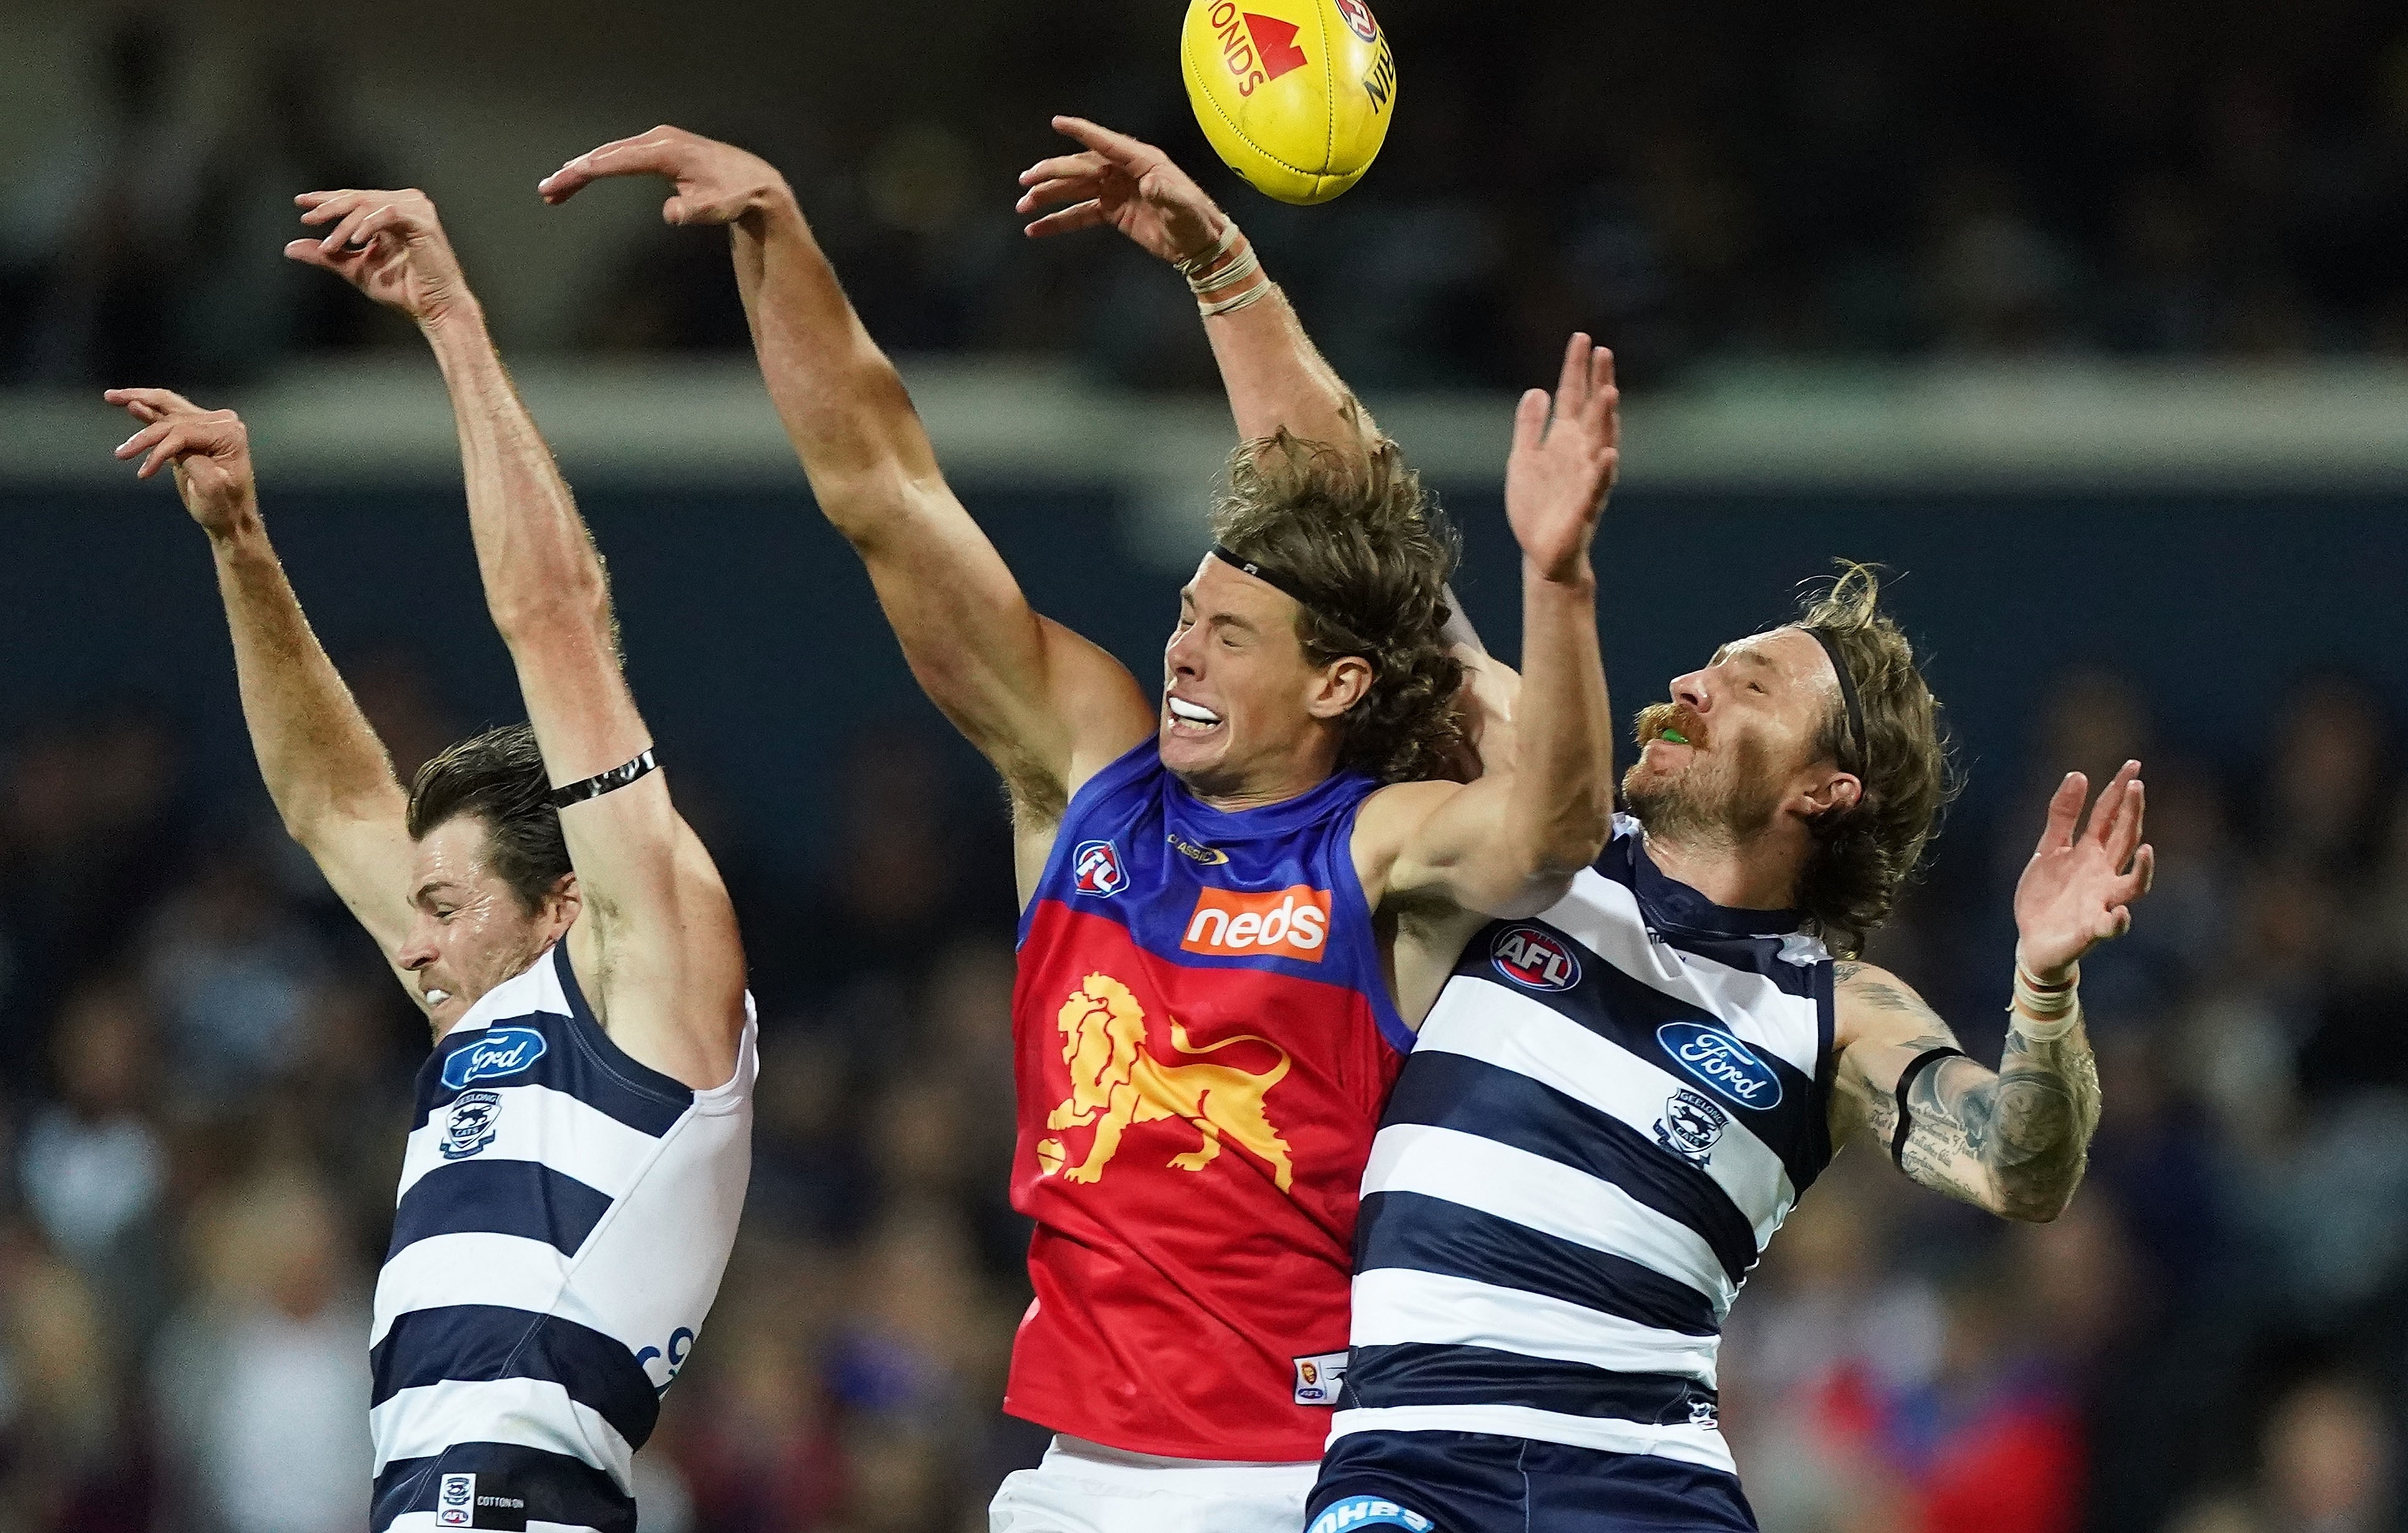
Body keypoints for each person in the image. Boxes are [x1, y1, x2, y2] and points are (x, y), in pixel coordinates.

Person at [1010, 120, 2151, 1533]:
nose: (1693, 684)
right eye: (1709, 662)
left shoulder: (1832, 1012)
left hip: (1642, 1477)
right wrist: (1221, 264)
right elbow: (1354, 511)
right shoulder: (1532, 847)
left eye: (1748, 686)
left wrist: (2042, 989)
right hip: (1412, 1463)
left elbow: (2017, 1165)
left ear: (1827, 789)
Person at [537, 125, 1621, 1532]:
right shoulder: (1088, 779)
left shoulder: (1381, 845)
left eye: (1231, 636)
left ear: (1337, 684)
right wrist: (777, 239)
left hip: (1304, 1477)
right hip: (1071, 1477)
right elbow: (886, 496)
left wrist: (1558, 580)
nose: (1183, 652)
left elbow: (1556, 824)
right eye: (1185, 615)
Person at [105, 185, 755, 1533]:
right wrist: (240, 542)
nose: (410, 943)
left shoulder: (646, 978)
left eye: (447, 906)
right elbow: (326, 798)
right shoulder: (496, 1008)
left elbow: (554, 617)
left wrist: (451, 319)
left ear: (562, 902)